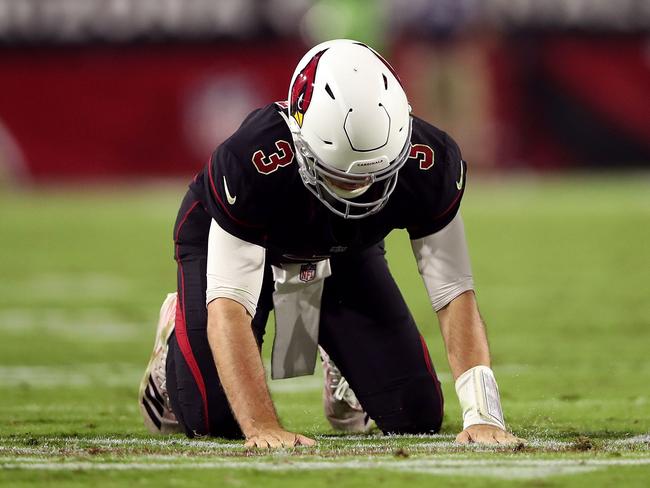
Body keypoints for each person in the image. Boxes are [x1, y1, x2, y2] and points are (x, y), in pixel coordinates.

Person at [138, 39, 523, 448]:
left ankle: (341, 364)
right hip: (242, 247)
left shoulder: (430, 162)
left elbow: (453, 293)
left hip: (343, 250)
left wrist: (484, 415)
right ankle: (172, 345)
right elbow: (229, 308)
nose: (357, 190)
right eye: (340, 176)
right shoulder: (251, 163)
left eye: (376, 175)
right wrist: (263, 427)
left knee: (416, 415)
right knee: (216, 421)